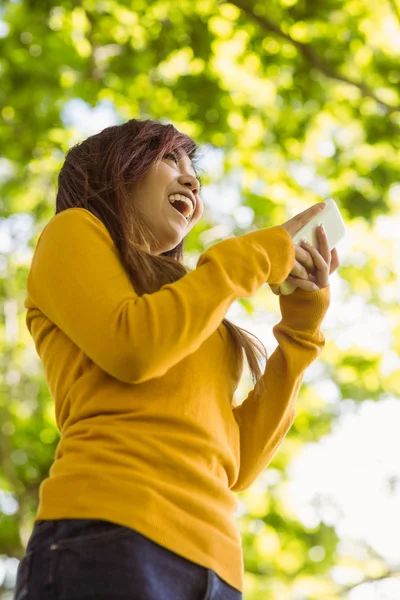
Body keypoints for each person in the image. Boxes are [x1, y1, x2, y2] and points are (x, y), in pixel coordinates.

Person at [14, 118, 339, 600]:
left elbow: (241, 461)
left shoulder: (191, 303)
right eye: (169, 159)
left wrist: (300, 330)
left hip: (216, 567)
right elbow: (134, 348)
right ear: (114, 170)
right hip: (109, 534)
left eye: (195, 171)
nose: (190, 179)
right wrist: (256, 255)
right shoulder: (70, 232)